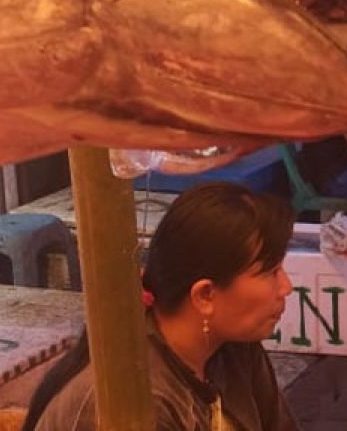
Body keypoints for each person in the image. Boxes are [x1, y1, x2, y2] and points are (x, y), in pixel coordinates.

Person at [23, 183, 297, 430]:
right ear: (205, 296)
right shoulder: (136, 400)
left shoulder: (233, 347)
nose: (286, 287)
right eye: (271, 272)